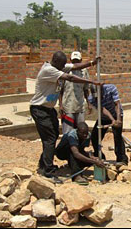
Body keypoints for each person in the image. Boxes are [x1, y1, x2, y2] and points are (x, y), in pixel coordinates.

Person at [30, 51, 101, 183]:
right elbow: (71, 78)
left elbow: (75, 67)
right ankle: (48, 171)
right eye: (62, 64)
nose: (64, 66)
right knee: (50, 139)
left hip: (49, 109)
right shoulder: (49, 70)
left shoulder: (57, 67)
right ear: (55, 62)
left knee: (53, 136)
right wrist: (91, 81)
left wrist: (92, 63)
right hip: (40, 109)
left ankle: (43, 163)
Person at [88, 84, 129, 166]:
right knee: (94, 137)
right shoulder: (91, 98)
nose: (98, 97)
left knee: (117, 136)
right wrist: (112, 120)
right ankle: (100, 157)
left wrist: (117, 120)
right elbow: (102, 109)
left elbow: (117, 104)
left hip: (117, 114)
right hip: (104, 117)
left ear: (102, 89)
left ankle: (122, 159)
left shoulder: (111, 88)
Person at [59, 51, 91, 134]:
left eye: (77, 61)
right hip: (68, 106)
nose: (75, 63)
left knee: (81, 131)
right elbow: (60, 90)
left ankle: (79, 147)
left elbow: (86, 89)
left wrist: (89, 104)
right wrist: (61, 105)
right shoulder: (65, 70)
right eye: (74, 61)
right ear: (70, 60)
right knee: (67, 132)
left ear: (81, 60)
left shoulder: (84, 72)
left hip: (80, 106)